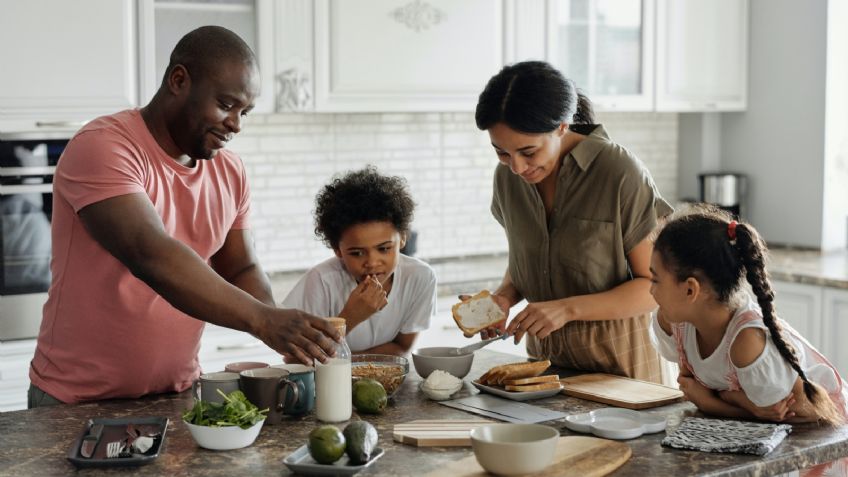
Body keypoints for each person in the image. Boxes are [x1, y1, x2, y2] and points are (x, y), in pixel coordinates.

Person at [28, 26, 340, 407]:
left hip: (177, 394)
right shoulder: (103, 147)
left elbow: (240, 266)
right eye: (226, 105)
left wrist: (280, 328)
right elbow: (151, 255)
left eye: (245, 112)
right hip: (76, 400)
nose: (236, 124)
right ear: (179, 80)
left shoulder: (230, 171)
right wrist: (263, 320)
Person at [472, 60, 673, 382]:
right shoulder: (507, 179)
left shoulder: (617, 171)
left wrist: (566, 309)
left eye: (529, 152)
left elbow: (655, 287)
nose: (517, 167)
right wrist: (504, 298)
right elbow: (530, 261)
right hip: (544, 371)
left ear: (562, 126)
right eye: (502, 153)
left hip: (622, 372)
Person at [649, 205, 846, 426]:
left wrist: (716, 401)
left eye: (655, 280)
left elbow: (800, 413)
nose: (650, 290)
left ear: (690, 290)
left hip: (825, 434)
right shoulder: (676, 322)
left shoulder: (747, 342)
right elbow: (694, 389)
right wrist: (738, 403)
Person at [282, 166, 437, 355]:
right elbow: (295, 358)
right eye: (357, 253)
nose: (372, 262)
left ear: (403, 238)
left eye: (384, 249)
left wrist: (351, 364)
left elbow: (402, 347)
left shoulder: (420, 277)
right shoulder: (321, 281)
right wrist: (350, 317)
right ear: (337, 249)